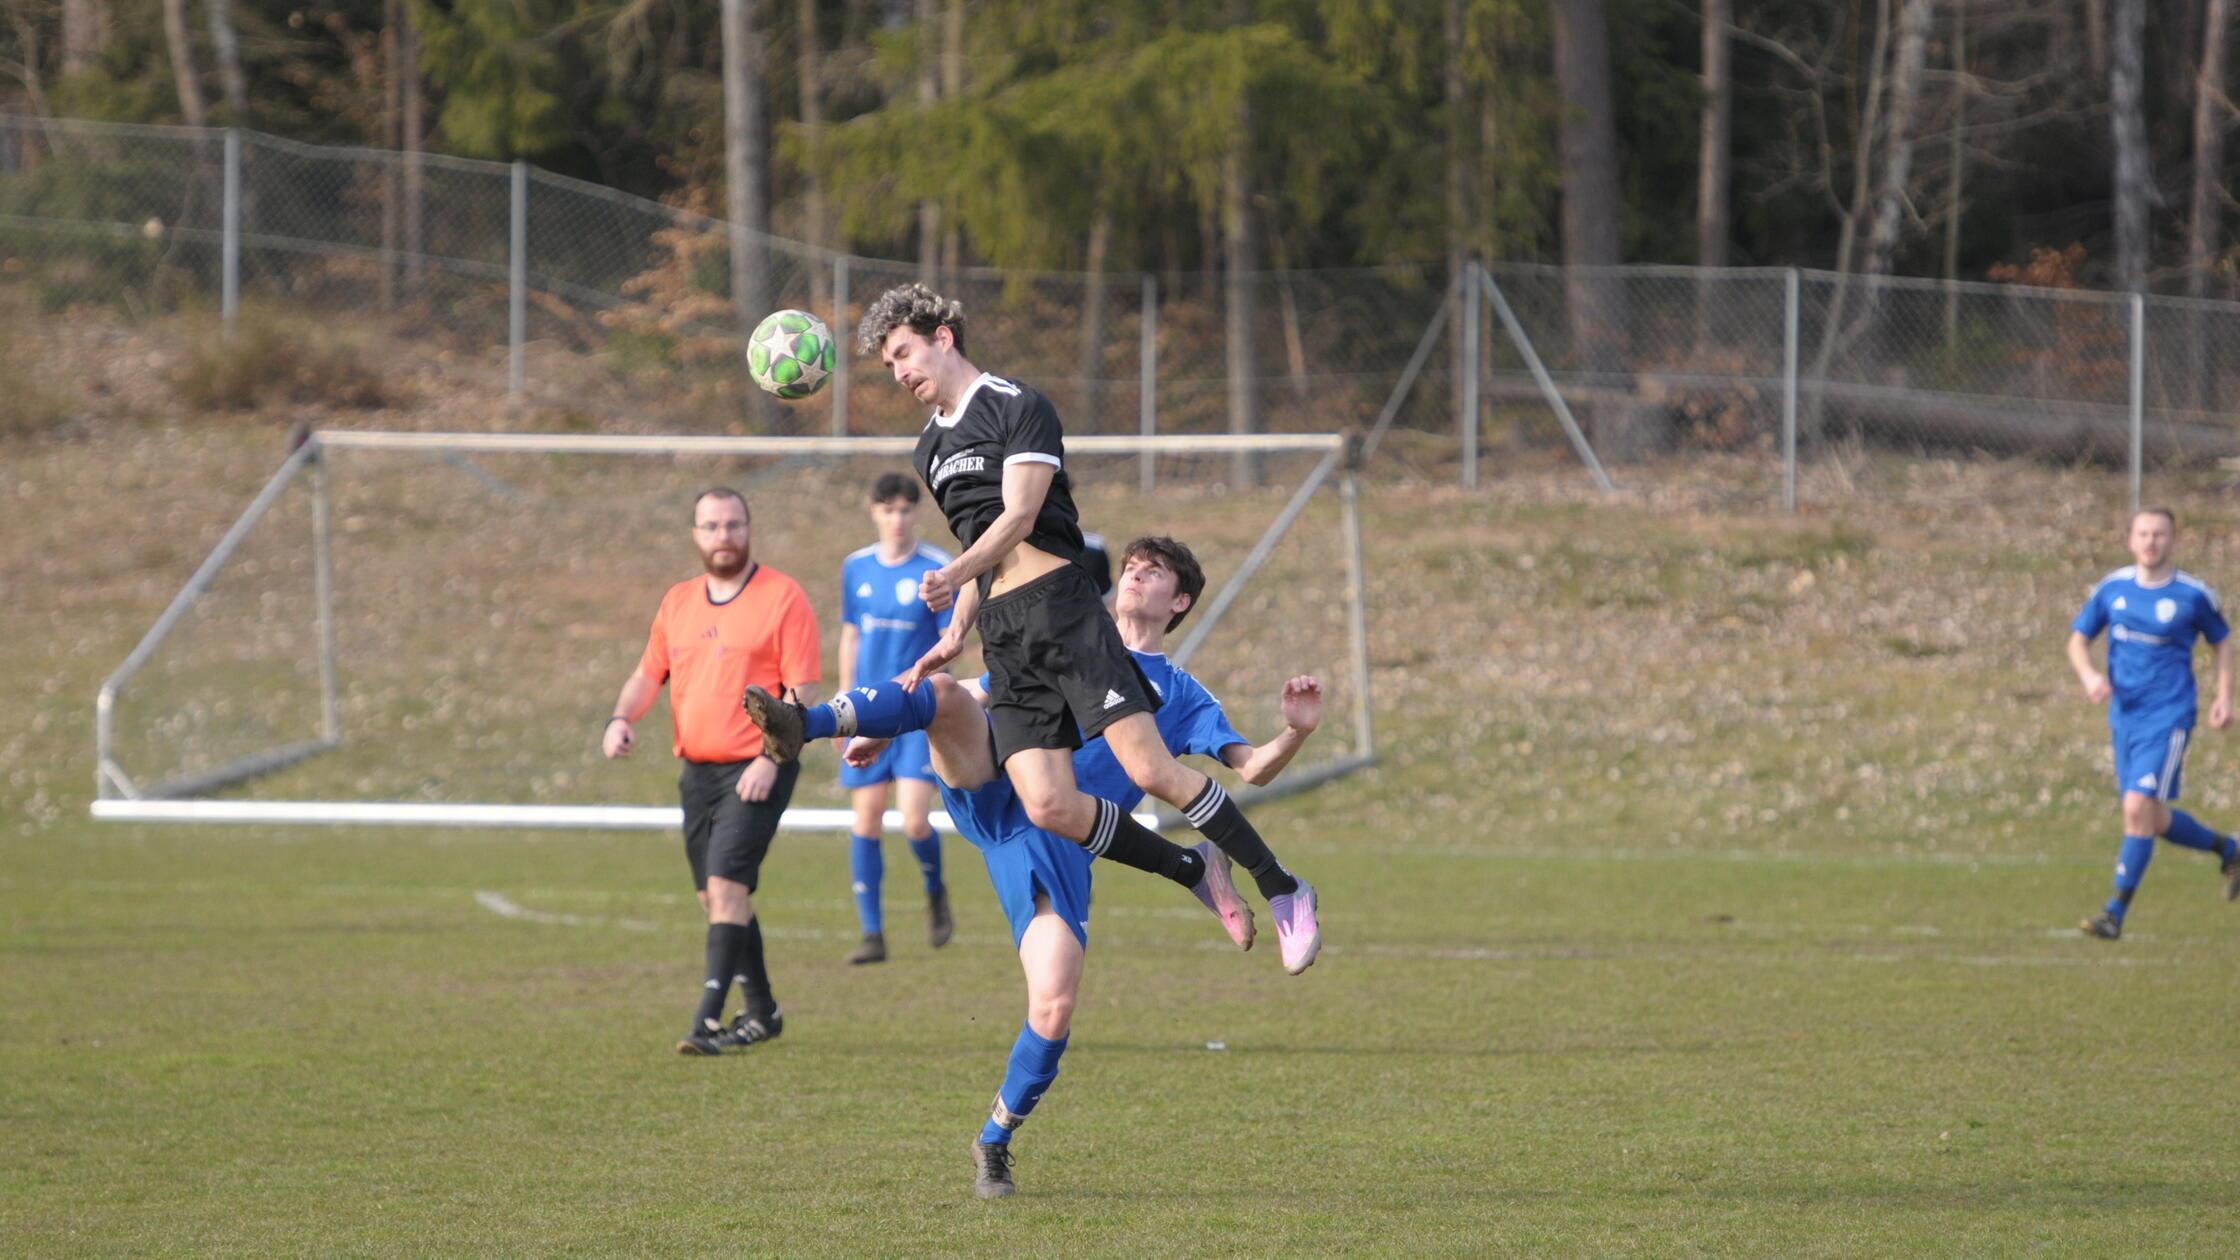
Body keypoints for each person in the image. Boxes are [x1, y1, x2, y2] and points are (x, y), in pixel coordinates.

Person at [745, 283, 1320, 971]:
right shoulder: (930, 448)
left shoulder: (1018, 405)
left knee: (1152, 769)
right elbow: (982, 545)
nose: (899, 373)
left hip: (1064, 610)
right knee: (1049, 804)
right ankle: (1195, 871)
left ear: (943, 337)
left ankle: (1284, 889)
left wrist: (955, 574)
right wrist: (957, 630)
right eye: (889, 365)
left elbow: (1017, 517)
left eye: (903, 354)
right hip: (1004, 629)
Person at [840, 540, 1322, 1197]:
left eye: (1154, 572)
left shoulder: (1180, 694)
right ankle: (1192, 867)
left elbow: (1251, 768)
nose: (1135, 574)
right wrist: (895, 724)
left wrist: (1293, 732)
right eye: (1130, 566)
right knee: (949, 698)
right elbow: (976, 694)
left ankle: (994, 1140)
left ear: (1178, 601)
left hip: (1065, 844)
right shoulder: (1069, 635)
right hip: (1003, 793)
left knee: (1055, 1003)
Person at [604, 487, 822, 1053]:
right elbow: (648, 674)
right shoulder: (678, 601)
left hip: (758, 767)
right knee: (717, 898)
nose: (723, 535)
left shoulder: (782, 597)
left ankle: (705, 1021)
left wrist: (770, 759)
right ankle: (763, 1011)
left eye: (733, 525)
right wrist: (621, 718)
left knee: (726, 886)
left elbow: (801, 693)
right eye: (711, 526)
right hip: (697, 772)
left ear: (748, 529)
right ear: (695, 535)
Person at [2067, 506, 2240, 940]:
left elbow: (2222, 643)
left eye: (2159, 534)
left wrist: (2224, 698)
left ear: (2173, 541)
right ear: (2131, 540)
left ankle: (2114, 914)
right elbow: (2077, 641)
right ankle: (2229, 848)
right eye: (2143, 534)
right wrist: (2089, 676)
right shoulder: (2113, 588)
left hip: (2170, 715)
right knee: (2152, 817)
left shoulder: (2193, 594)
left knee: (2136, 808)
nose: (2151, 542)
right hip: (2125, 717)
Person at [836, 473, 956, 964]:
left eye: (906, 509)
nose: (897, 519)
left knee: (913, 821)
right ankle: (872, 934)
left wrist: (923, 687)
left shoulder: (936, 569)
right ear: (874, 512)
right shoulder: (856, 567)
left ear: (916, 514)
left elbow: (949, 643)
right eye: (888, 510)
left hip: (912, 711)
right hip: (865, 711)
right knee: (865, 819)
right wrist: (844, 708)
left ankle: (935, 889)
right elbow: (850, 635)